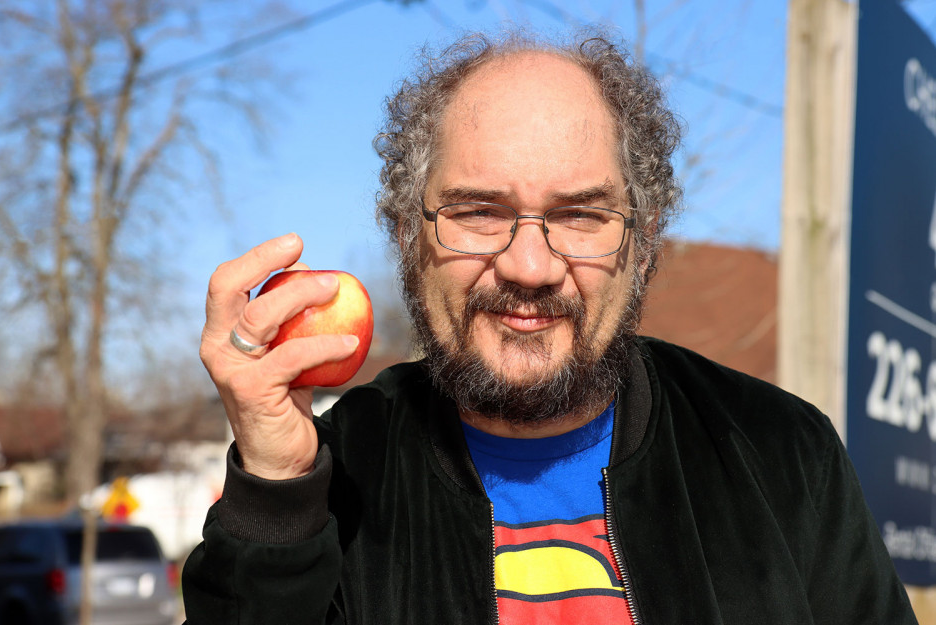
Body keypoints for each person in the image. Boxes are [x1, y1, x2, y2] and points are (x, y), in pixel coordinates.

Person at [182, 30, 918, 625]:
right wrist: (275, 492)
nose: (529, 264)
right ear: (408, 235)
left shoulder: (782, 456)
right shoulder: (334, 477)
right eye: (478, 212)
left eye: (579, 215)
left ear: (642, 241)